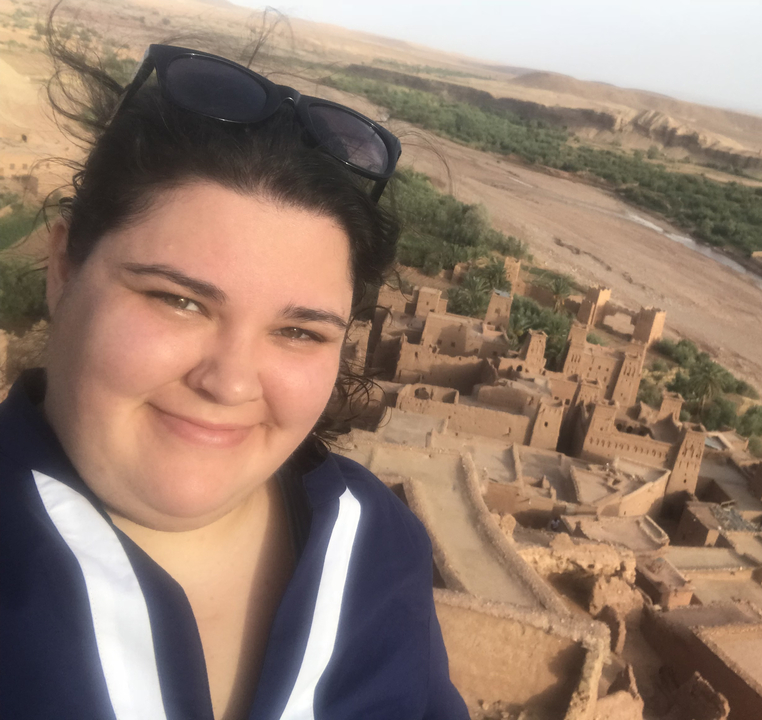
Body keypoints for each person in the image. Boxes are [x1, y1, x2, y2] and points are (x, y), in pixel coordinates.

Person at [0, 31, 469, 720]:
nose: (230, 382)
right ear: (65, 267)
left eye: (298, 331)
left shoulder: (375, 542)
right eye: (179, 300)